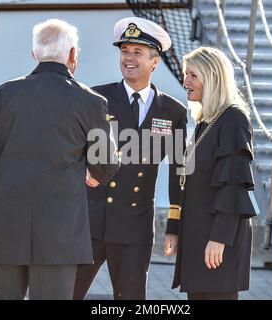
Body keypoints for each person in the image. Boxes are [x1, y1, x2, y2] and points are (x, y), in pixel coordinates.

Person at [0, 19, 119, 300]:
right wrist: (91, 171)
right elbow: (106, 166)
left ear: (34, 54)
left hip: (4, 232)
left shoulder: (2, 95)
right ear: (73, 54)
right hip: (60, 239)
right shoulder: (91, 102)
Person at [73, 17, 187, 300]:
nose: (129, 58)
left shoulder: (173, 111)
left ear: (155, 60)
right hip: (90, 220)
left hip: (135, 225)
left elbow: (180, 170)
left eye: (137, 52)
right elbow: (71, 153)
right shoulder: (96, 99)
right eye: (124, 51)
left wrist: (174, 225)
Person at [164, 46, 257, 300]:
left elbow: (234, 185)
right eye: (186, 75)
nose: (186, 82)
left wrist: (219, 238)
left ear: (212, 77)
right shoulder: (207, 121)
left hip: (217, 240)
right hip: (199, 236)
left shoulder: (233, 118)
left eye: (193, 75)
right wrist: (175, 227)